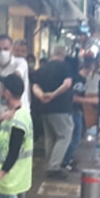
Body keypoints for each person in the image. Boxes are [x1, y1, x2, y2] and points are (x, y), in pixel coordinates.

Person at [32, 46, 74, 180]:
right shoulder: (65, 67)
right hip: (61, 107)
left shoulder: (43, 68)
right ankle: (54, 166)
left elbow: (35, 86)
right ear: (63, 54)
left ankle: (50, 163)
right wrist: (54, 95)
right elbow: (67, 84)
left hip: (44, 108)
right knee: (64, 135)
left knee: (50, 137)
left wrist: (42, 96)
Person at [0, 35, 30, 126]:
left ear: (12, 49)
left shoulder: (20, 63)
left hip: (16, 119)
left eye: (5, 49)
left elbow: (17, 76)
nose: (2, 52)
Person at [62, 56, 98, 171]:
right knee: (74, 137)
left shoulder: (80, 79)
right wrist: (90, 101)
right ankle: (65, 160)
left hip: (75, 110)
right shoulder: (78, 79)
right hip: (73, 111)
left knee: (74, 136)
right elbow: (74, 98)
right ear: (90, 67)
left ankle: (67, 158)